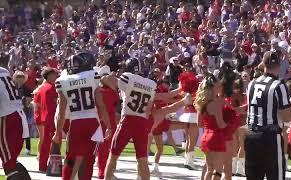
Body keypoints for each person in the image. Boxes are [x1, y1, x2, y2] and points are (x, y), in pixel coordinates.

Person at [104, 58, 192, 180]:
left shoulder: (127, 77)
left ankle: (108, 177)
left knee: (113, 155)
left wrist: (103, 76)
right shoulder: (150, 84)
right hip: (142, 122)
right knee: (143, 160)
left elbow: (111, 82)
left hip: (128, 120)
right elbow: (155, 102)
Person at [245, 51, 291, 180]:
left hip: (252, 136)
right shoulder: (278, 86)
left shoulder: (252, 83)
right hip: (270, 138)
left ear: (263, 64)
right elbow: (286, 117)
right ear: (279, 66)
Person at [53, 52, 111, 180]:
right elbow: (101, 105)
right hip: (93, 123)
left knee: (71, 159)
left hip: (76, 122)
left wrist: (57, 133)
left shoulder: (63, 81)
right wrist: (108, 126)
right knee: (89, 160)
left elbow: (62, 113)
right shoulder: (92, 76)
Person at [0, 53, 31, 179]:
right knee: (11, 159)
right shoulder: (5, 71)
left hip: (8, 117)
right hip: (18, 115)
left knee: (9, 163)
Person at [194, 75, 227, 180]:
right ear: (213, 88)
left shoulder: (202, 103)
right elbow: (221, 124)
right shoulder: (215, 104)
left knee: (209, 168)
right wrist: (233, 122)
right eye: (218, 86)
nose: (220, 88)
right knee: (218, 170)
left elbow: (199, 124)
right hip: (216, 136)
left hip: (205, 136)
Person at [37, 67, 58, 172]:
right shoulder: (52, 88)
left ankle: (43, 165)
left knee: (45, 142)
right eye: (54, 74)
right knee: (52, 142)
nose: (56, 76)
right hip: (51, 117)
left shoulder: (42, 87)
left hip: (45, 117)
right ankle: (52, 165)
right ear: (49, 75)